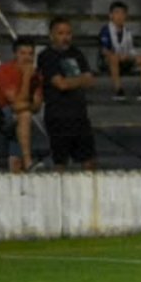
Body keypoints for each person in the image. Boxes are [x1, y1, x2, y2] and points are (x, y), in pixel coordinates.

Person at [38, 16, 96, 171]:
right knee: (60, 162)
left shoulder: (77, 53)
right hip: (58, 116)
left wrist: (71, 81)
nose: (65, 37)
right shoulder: (46, 56)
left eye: (68, 33)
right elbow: (60, 84)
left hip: (80, 115)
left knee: (89, 160)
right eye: (61, 33)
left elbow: (90, 81)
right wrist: (80, 79)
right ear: (52, 35)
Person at [0, 36, 44, 172]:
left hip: (17, 116)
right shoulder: (4, 70)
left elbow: (37, 106)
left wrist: (23, 106)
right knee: (25, 115)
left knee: (24, 115)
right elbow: (15, 103)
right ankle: (28, 162)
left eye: (30, 54)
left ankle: (18, 169)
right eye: (23, 53)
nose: (27, 58)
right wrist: (26, 77)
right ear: (15, 54)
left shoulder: (36, 76)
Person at [98, 0, 141, 101]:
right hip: (108, 62)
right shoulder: (105, 30)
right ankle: (119, 91)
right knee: (113, 58)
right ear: (111, 15)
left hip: (124, 59)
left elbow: (131, 50)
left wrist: (132, 57)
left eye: (122, 13)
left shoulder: (127, 32)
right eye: (116, 13)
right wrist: (118, 56)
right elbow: (104, 51)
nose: (119, 16)